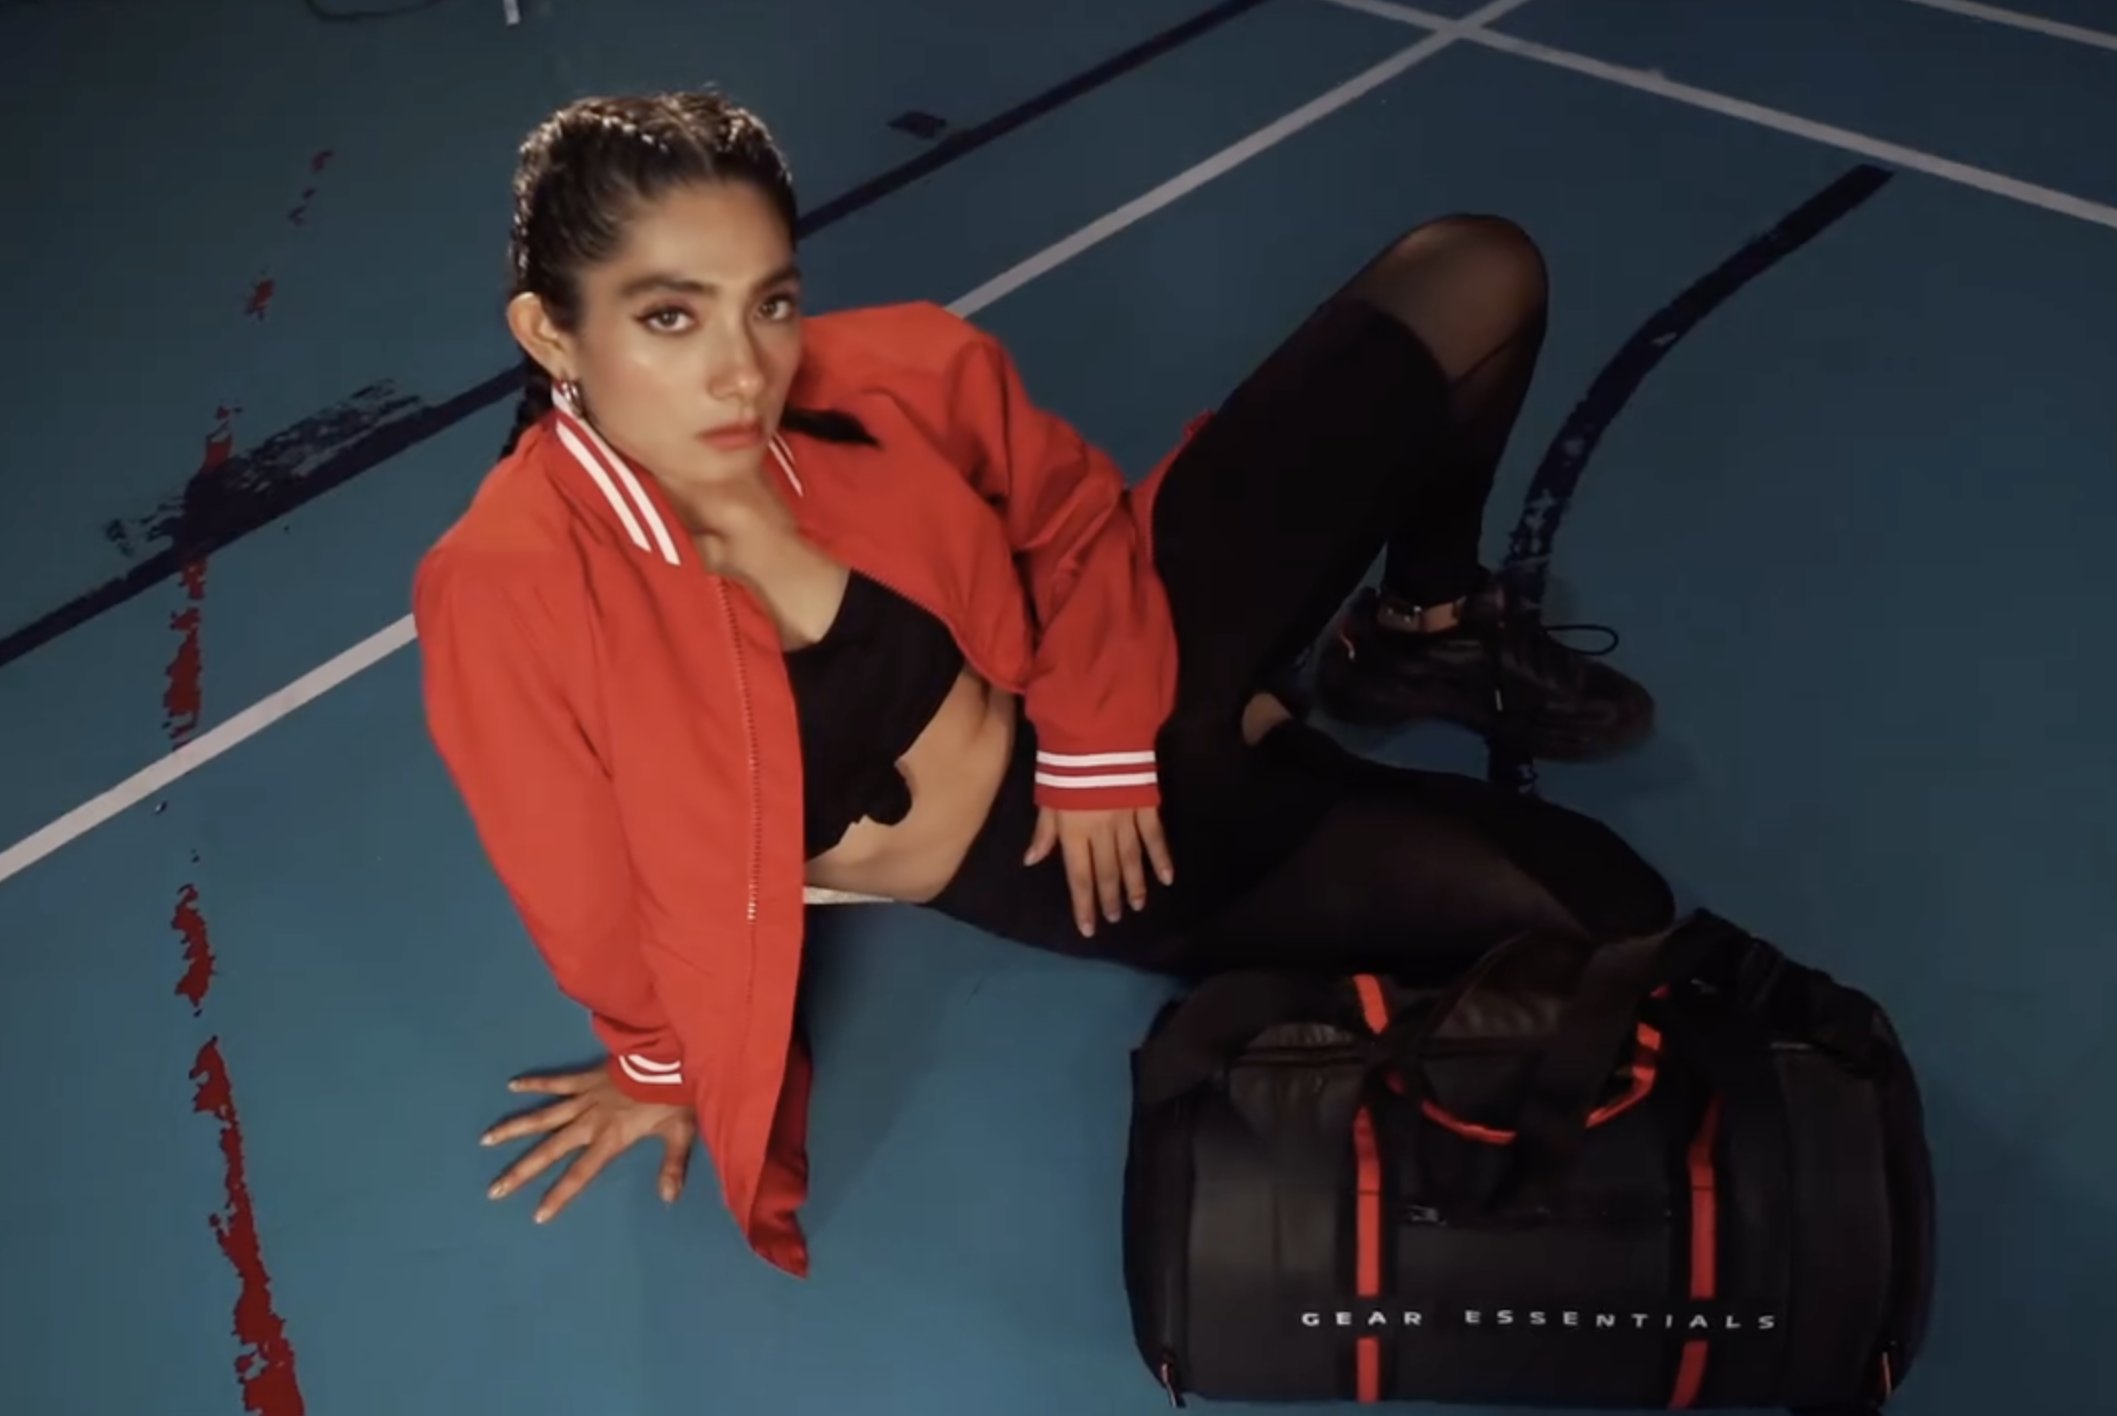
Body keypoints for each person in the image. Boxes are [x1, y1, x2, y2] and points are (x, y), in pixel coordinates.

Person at [414, 92, 1671, 1277]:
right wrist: (653, 1064)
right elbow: (574, 873)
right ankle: (1282, 754)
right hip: (1084, 868)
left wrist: (1097, 747)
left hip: (1120, 676)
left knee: (1475, 272)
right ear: (550, 330)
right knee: (1614, 907)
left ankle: (1418, 631)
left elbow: (1070, 521)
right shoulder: (513, 587)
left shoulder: (886, 374)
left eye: (770, 303)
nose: (745, 370)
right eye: (670, 317)